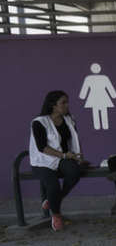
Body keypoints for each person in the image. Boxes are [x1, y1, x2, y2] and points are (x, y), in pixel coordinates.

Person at [29, 90, 85, 231]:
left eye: (67, 102)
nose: (67, 105)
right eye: (63, 103)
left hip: (63, 157)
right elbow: (42, 148)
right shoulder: (39, 122)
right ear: (53, 105)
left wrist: (79, 158)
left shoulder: (69, 119)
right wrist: (65, 156)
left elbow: (74, 140)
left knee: (75, 172)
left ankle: (57, 198)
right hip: (43, 160)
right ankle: (56, 214)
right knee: (53, 186)